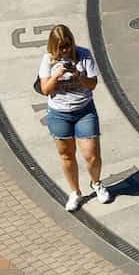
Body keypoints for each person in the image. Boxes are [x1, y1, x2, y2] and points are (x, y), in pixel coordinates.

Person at [34, 24, 113, 208]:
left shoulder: (84, 55)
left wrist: (78, 75)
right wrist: (56, 75)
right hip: (59, 114)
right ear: (53, 47)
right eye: (61, 47)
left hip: (84, 110)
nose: (65, 50)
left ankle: (96, 183)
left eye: (68, 45)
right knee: (66, 155)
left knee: (92, 155)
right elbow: (45, 89)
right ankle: (75, 192)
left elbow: (92, 84)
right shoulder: (48, 60)